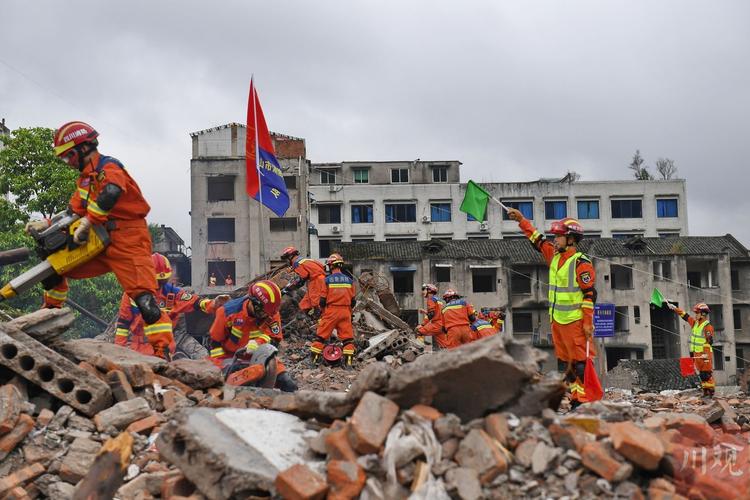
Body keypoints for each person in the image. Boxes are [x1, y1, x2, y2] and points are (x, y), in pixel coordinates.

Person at [25, 121, 173, 358]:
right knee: (54, 266)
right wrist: (48, 224)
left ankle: (162, 351)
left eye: (69, 156)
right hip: (98, 238)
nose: (68, 162)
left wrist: (88, 220)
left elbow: (112, 192)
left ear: (84, 148)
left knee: (144, 300)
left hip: (128, 239)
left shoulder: (110, 167)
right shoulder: (84, 180)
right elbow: (73, 211)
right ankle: (47, 318)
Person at [508, 209, 596, 409]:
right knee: (565, 362)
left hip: (575, 321)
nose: (555, 240)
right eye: (555, 236)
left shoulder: (581, 262)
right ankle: (573, 396)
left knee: (579, 362)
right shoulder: (554, 256)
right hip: (557, 319)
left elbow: (590, 294)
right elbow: (537, 240)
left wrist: (588, 323)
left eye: (559, 236)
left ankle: (581, 400)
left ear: (571, 239)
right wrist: (522, 220)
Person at [115, 253, 229, 357]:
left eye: (163, 281)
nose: (160, 285)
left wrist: (213, 303)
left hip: (173, 338)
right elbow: (123, 324)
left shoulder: (172, 292)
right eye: (157, 281)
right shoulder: (132, 295)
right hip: (140, 342)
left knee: (203, 356)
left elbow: (194, 302)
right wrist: (119, 350)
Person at [208, 280, 297, 391]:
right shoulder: (227, 312)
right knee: (238, 387)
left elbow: (275, 339)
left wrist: (258, 343)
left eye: (268, 313)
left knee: (288, 384)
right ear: (253, 302)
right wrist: (224, 367)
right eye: (263, 312)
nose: (265, 316)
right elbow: (214, 343)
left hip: (261, 356)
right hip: (229, 358)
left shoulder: (271, 312)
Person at [311, 253, 356, 367]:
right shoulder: (349, 281)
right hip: (345, 312)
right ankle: (349, 363)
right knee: (347, 339)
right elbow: (353, 301)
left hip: (331, 311)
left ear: (331, 265)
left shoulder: (327, 280)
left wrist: (322, 312)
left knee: (320, 337)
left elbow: (322, 301)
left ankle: (313, 362)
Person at [669, 302, 715, 397]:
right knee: (701, 374)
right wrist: (675, 308)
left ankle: (710, 392)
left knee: (706, 374)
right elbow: (685, 316)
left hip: (704, 354)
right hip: (696, 354)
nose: (696, 315)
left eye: (697, 313)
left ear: (703, 314)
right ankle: (705, 391)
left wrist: (705, 355)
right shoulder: (695, 323)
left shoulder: (707, 326)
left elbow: (709, 342)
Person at [279, 246, 326, 318]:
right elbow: (322, 267)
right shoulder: (307, 260)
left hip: (316, 281)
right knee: (304, 304)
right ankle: (308, 319)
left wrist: (287, 289)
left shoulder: (296, 263)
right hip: (317, 280)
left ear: (290, 256)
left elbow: (301, 279)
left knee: (316, 303)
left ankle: (320, 319)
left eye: (286, 259)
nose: (286, 262)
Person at [415, 283, 451, 349]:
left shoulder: (430, 299)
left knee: (418, 331)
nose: (422, 292)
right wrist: (425, 312)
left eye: (424, 289)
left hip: (436, 324)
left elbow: (431, 314)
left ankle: (418, 349)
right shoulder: (438, 300)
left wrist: (422, 325)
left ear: (429, 290)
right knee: (444, 346)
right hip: (442, 325)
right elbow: (436, 313)